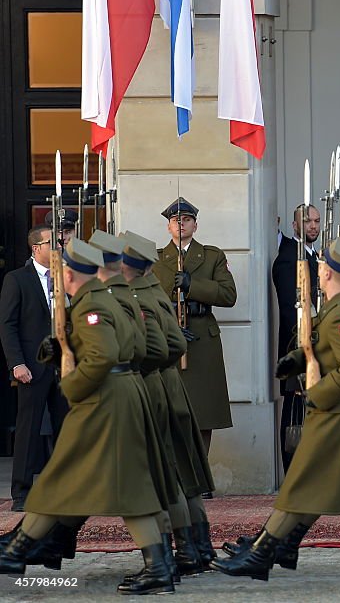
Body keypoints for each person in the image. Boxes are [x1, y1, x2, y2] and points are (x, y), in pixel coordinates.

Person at [212, 233, 340, 592]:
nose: (318, 269)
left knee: (320, 483)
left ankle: (267, 552)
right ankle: (270, 551)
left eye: (322, 265)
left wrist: (318, 395)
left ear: (327, 273)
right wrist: (299, 359)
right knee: (322, 484)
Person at [0, 239, 173, 595]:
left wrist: (73, 386)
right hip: (120, 396)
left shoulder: (90, 304)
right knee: (124, 484)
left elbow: (103, 355)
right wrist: (65, 349)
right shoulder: (106, 298)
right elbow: (134, 347)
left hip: (102, 402)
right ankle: (159, 567)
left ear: (69, 273)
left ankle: (18, 550)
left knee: (60, 477)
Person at [123, 230, 218, 568]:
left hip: (153, 385)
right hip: (169, 384)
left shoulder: (138, 297)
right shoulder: (153, 293)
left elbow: (168, 346)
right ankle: (198, 546)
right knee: (184, 473)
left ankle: (179, 553)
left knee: (166, 476)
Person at [152, 197, 237, 461]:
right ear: (168, 227)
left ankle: (200, 473)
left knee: (203, 410)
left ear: (195, 225)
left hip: (202, 338)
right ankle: (177, 472)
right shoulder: (156, 260)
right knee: (171, 410)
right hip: (170, 338)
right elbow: (149, 302)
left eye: (186, 220)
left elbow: (228, 295)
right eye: (175, 221)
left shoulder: (212, 256)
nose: (181, 225)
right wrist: (170, 327)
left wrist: (193, 285)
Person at [0, 225, 67, 512]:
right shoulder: (17, 279)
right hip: (32, 366)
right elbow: (8, 324)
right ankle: (22, 493)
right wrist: (16, 363)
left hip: (63, 366)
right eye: (52, 243)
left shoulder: (67, 277)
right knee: (28, 431)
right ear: (36, 248)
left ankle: (65, 489)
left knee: (66, 430)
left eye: (59, 242)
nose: (58, 247)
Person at [271, 204, 321, 472]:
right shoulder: (290, 256)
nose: (313, 225)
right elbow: (292, 309)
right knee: (294, 413)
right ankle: (292, 472)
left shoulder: (315, 255)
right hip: (298, 347)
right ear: (294, 225)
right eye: (307, 220)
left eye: (316, 221)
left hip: (317, 346)